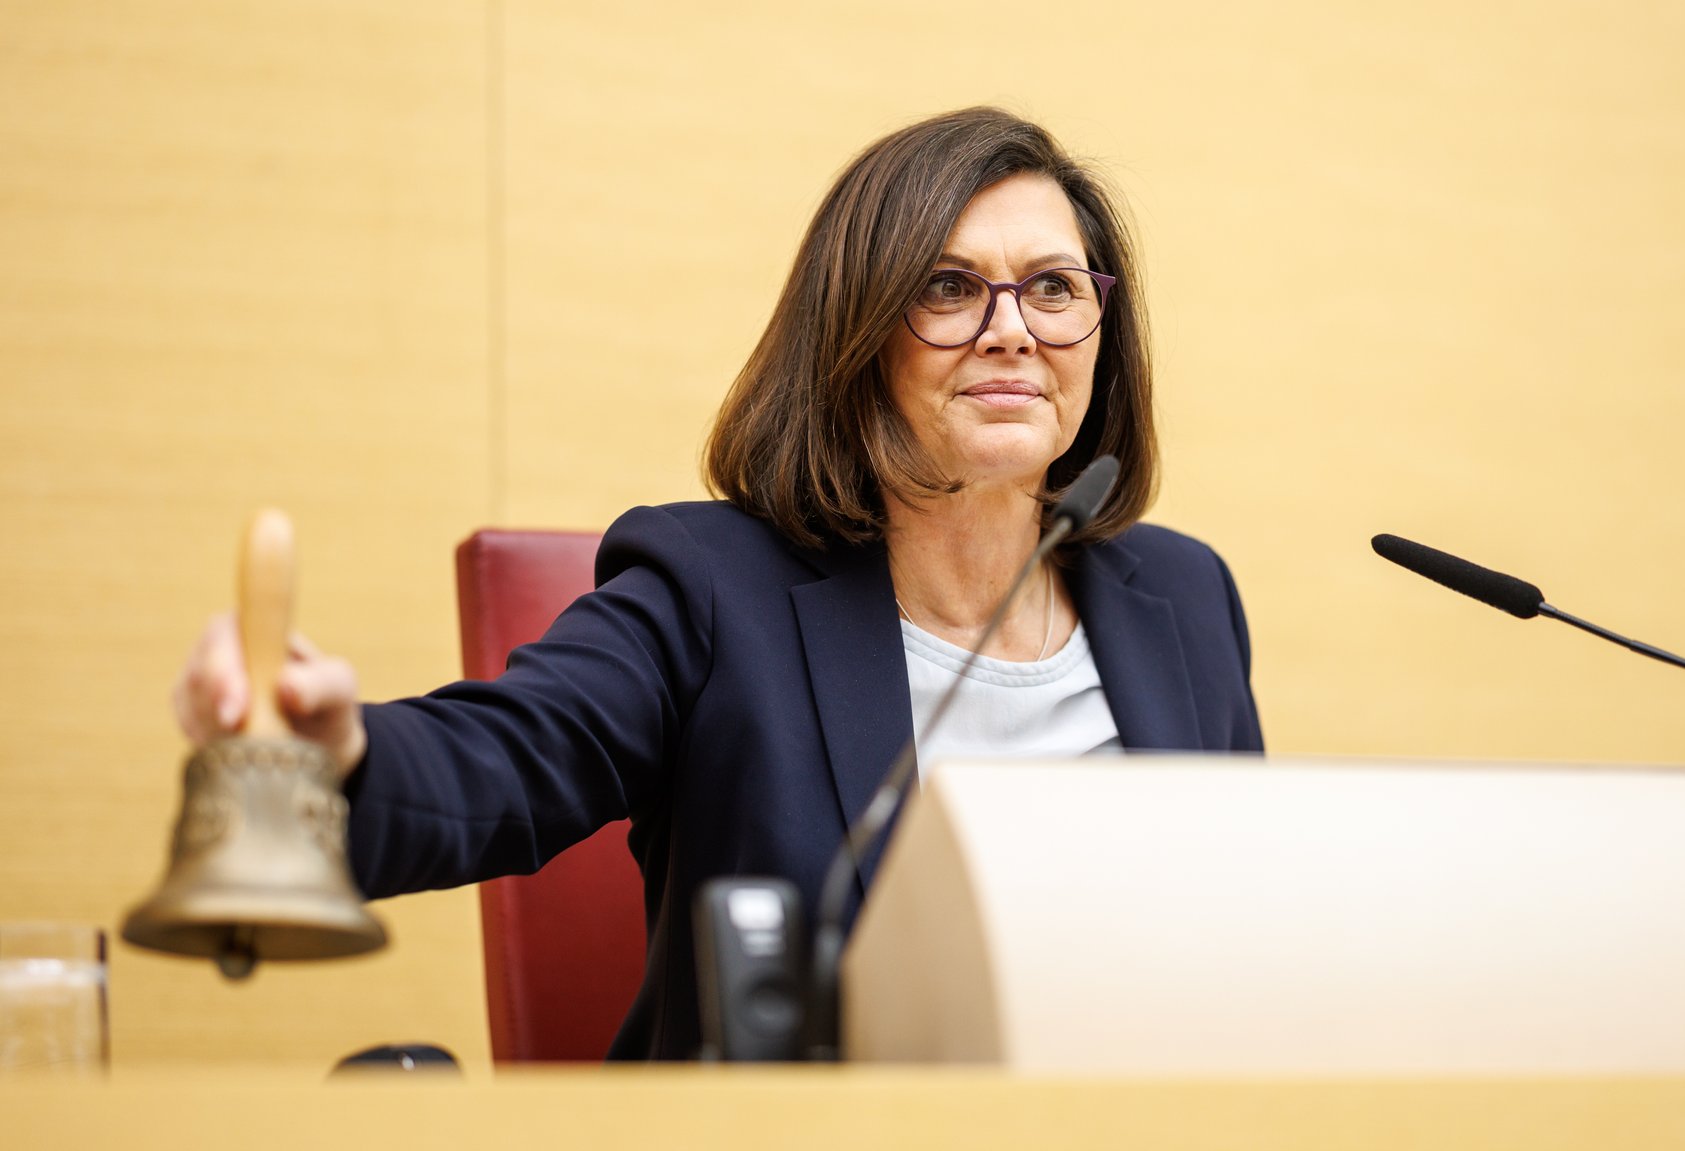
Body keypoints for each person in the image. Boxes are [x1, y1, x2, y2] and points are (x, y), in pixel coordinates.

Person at [171, 107, 1263, 1059]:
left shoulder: (1183, 598)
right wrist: (329, 757)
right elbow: (507, 757)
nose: (1012, 329)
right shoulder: (709, 587)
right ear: (857, 334)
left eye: (1053, 287)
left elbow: (1248, 939)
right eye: (947, 287)